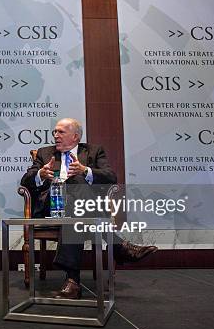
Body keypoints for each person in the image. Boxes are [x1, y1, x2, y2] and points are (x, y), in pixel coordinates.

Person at [20, 118, 157, 299]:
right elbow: (25, 181)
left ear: (75, 136)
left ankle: (73, 282)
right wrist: (40, 174)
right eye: (55, 132)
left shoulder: (93, 151)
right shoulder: (45, 153)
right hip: (52, 205)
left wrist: (85, 170)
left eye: (61, 132)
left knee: (77, 190)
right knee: (74, 185)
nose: (55, 135)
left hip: (78, 209)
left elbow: (110, 177)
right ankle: (118, 245)